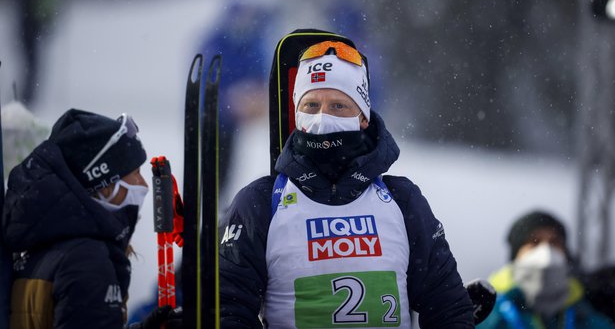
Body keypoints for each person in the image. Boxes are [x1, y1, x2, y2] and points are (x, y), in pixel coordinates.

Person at [219, 35, 475, 328]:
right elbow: (228, 310)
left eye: (338, 106)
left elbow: (449, 309)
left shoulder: (403, 200)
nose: (322, 118)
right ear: (297, 114)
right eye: (311, 105)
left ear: (363, 117)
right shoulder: (260, 203)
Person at [2, 109, 180, 329]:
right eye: (134, 173)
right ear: (103, 183)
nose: (142, 184)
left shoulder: (47, 241)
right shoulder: (85, 260)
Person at [478, 210, 615, 329]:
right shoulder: (485, 313)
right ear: (516, 256)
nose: (546, 250)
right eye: (535, 242)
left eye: (554, 242)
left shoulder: (587, 316)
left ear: (566, 254)